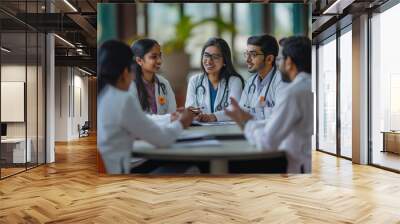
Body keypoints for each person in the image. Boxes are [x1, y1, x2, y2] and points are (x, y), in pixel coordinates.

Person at [97, 40, 194, 174]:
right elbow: (162, 139)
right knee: (192, 167)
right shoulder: (122, 99)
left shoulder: (102, 96)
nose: (132, 77)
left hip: (108, 176)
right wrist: (183, 122)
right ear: (126, 71)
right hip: (130, 170)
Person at [225, 36, 313, 173]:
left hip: (296, 167)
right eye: (246, 54)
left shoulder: (291, 91)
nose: (247, 59)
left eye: (280, 59)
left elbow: (267, 141)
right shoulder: (308, 85)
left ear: (288, 62)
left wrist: (247, 121)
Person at [185, 37, 244, 122]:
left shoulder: (234, 81)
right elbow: (190, 107)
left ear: (225, 61)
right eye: (206, 55)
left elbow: (235, 109)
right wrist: (195, 114)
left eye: (215, 57)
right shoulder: (194, 81)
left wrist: (213, 116)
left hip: (227, 131)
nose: (209, 61)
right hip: (202, 130)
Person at [239, 34, 287, 121]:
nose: (247, 60)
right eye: (247, 54)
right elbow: (240, 112)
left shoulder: (281, 81)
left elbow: (281, 115)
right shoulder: (250, 82)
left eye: (253, 55)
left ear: (269, 59)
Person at [130, 38, 177, 117]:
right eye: (154, 57)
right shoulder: (130, 85)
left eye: (160, 56)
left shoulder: (163, 83)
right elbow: (135, 119)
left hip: (164, 129)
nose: (159, 61)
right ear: (139, 61)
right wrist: (167, 119)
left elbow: (172, 113)